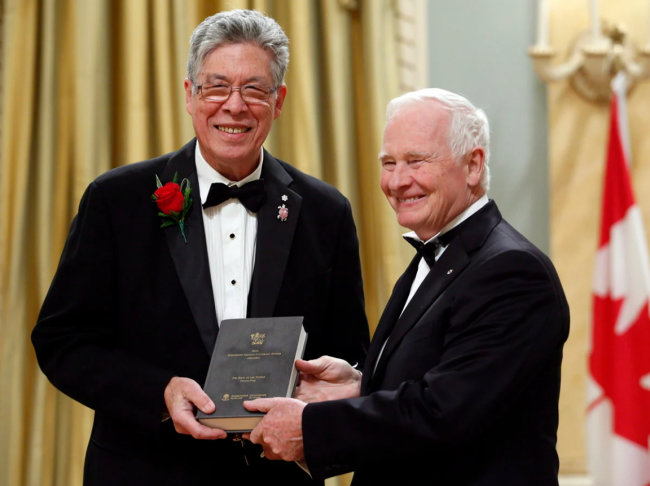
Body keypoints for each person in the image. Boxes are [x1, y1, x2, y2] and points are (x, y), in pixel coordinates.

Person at [31, 9, 369, 486]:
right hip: (143, 471)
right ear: (190, 96)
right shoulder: (116, 200)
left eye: (254, 88)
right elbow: (63, 342)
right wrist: (159, 392)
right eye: (217, 87)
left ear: (279, 101)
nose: (234, 106)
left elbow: (348, 352)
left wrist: (321, 402)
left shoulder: (325, 211)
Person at [243, 88, 570, 485]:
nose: (397, 182)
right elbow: (446, 378)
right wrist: (361, 384)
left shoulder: (513, 272)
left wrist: (310, 428)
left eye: (416, 161)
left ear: (473, 165)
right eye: (389, 163)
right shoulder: (437, 257)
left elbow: (444, 412)